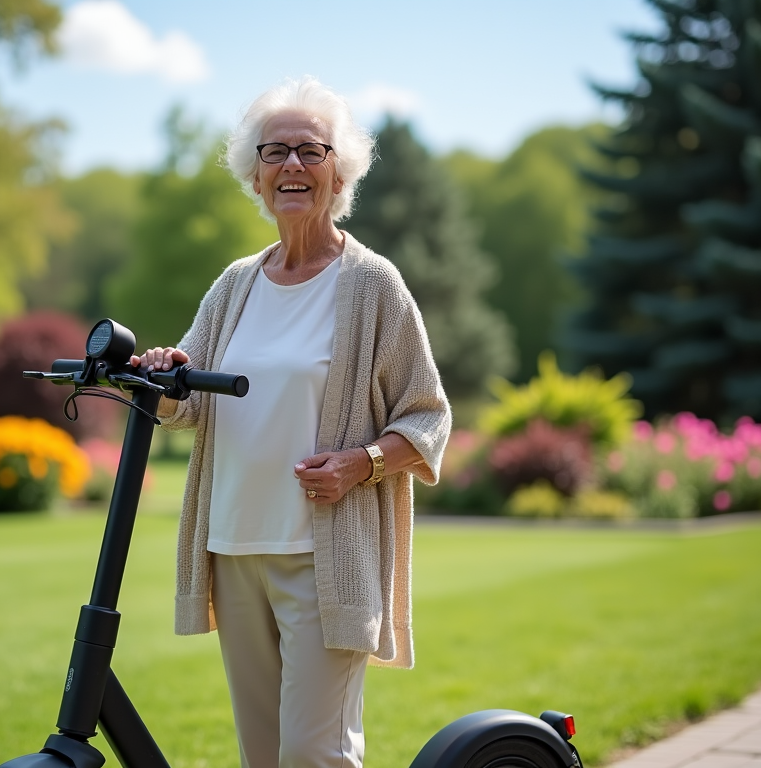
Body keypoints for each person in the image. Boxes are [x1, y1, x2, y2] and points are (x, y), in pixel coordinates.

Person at [130, 77, 451, 768]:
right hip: (233, 545)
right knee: (264, 756)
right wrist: (161, 375)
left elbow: (427, 415)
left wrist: (359, 463)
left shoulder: (372, 285)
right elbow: (187, 401)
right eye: (275, 151)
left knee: (315, 752)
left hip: (323, 557)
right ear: (256, 174)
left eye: (311, 150)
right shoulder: (234, 284)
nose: (293, 165)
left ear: (340, 171)